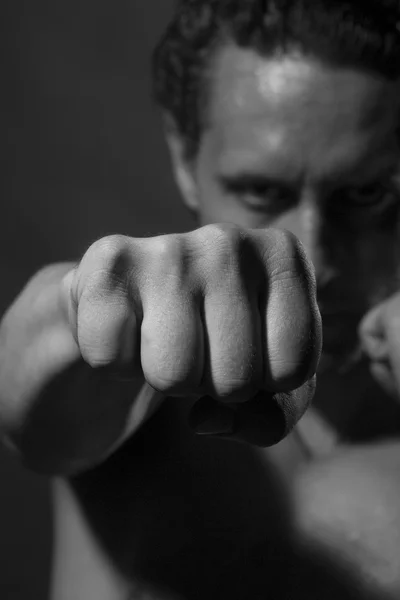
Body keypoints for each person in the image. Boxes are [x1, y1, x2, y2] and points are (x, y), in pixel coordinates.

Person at [1, 0, 400, 598]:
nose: (317, 255)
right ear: (186, 161)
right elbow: (26, 402)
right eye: (262, 191)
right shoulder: (125, 383)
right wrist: (85, 305)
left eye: (366, 193)